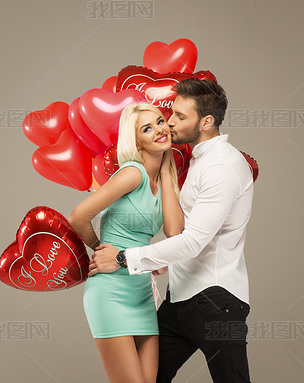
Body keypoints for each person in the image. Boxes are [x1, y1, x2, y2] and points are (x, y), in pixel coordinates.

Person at [89, 78, 254, 383]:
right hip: (180, 301)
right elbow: (183, 231)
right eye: (172, 114)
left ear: (205, 121)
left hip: (216, 303)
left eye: (180, 116)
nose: (171, 122)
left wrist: (124, 258)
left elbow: (191, 242)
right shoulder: (198, 160)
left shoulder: (222, 166)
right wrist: (161, 259)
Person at [68, 102, 184, 383]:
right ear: (137, 142)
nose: (159, 129)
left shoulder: (163, 178)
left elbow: (174, 232)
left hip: (142, 293)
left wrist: (167, 168)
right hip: (110, 294)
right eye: (147, 128)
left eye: (159, 121)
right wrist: (99, 250)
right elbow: (79, 216)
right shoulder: (133, 173)